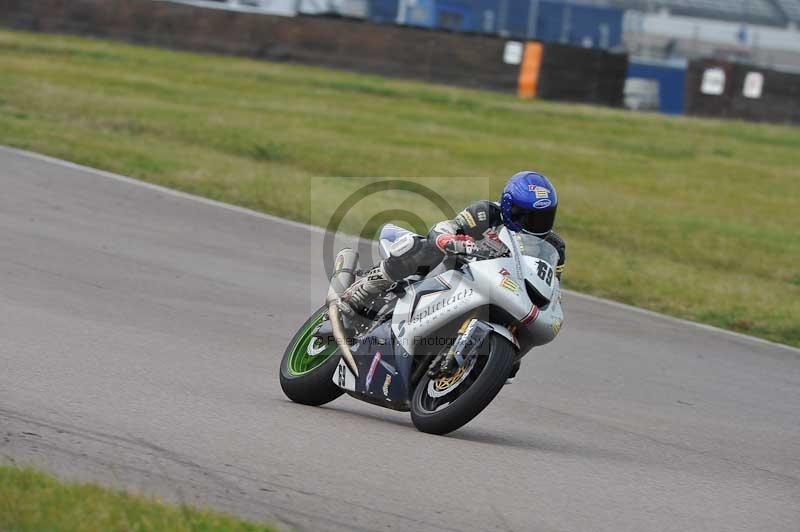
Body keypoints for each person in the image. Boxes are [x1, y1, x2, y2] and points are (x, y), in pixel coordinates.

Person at [340, 171, 566, 317]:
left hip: (505, 292)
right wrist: (453, 242)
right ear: (509, 207)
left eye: (543, 217)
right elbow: (445, 228)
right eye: (526, 216)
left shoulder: (554, 247)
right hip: (456, 272)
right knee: (421, 247)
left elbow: (553, 288)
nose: (535, 224)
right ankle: (367, 287)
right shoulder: (486, 213)